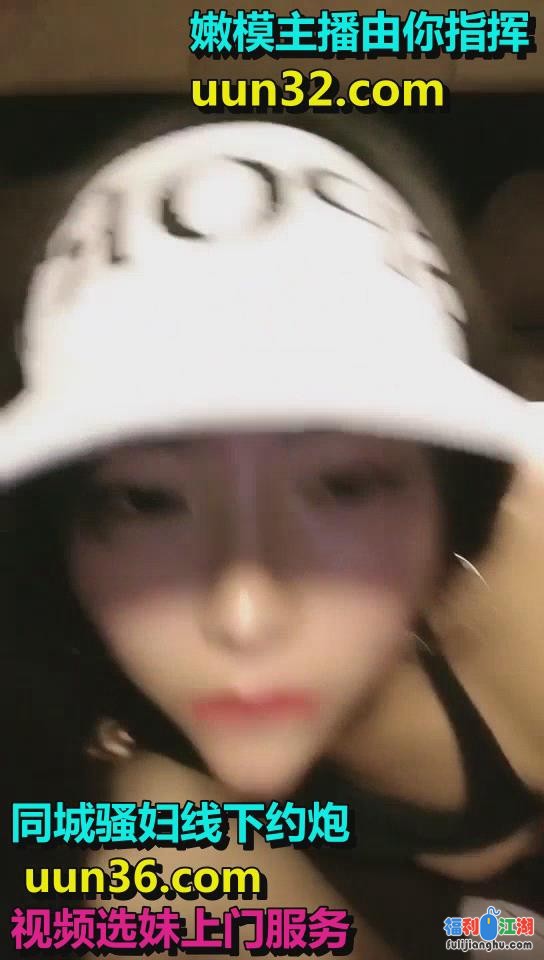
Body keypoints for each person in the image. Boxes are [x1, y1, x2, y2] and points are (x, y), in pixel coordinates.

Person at [3, 110, 538, 959]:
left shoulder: (527, 562)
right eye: (145, 501)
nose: (244, 613)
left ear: (451, 494)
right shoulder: (149, 836)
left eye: (344, 485)